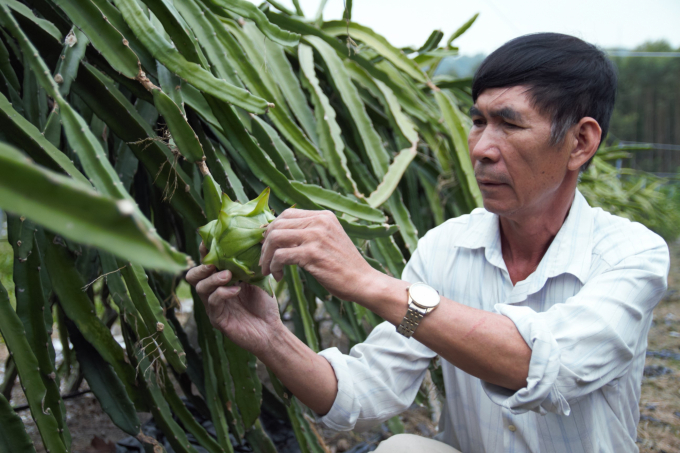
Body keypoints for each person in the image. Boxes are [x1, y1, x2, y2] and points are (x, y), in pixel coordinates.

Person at [186, 33, 670, 452]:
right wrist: (271, 338)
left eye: (510, 124)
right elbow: (365, 391)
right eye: (478, 121)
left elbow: (540, 366)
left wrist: (367, 283)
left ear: (581, 143)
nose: (481, 148)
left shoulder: (629, 256)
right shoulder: (446, 250)